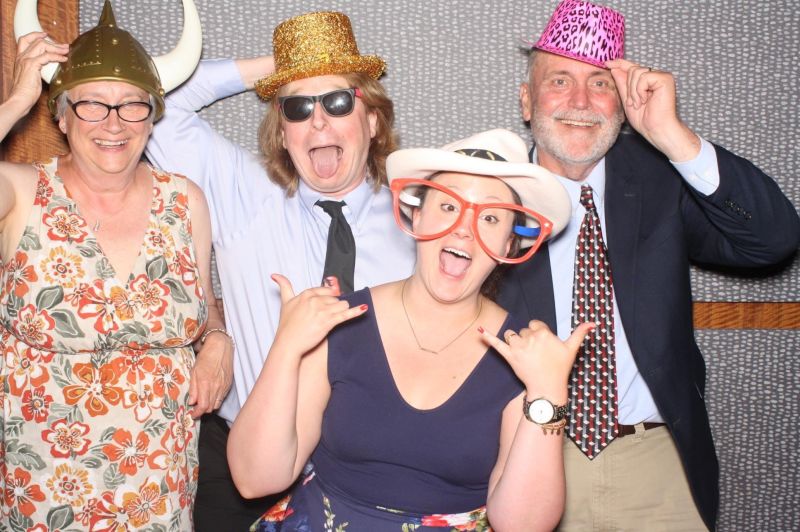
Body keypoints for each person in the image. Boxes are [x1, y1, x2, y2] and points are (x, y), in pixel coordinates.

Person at [496, 1, 800, 530]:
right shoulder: (490, 194)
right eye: (560, 81)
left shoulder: (661, 180)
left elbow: (773, 240)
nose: (581, 101)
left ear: (621, 104)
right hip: (530, 451)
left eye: (600, 84)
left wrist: (672, 135)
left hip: (656, 463)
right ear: (527, 100)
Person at [228, 128, 591, 531]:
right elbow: (254, 478)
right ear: (416, 214)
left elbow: (522, 526)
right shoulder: (342, 321)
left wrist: (548, 394)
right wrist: (286, 347)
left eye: (490, 217)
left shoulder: (522, 355)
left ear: (509, 244)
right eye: (448, 206)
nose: (464, 229)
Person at [145, 11, 416, 530]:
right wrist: (287, 65)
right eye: (297, 107)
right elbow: (156, 98)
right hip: (244, 471)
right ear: (282, 131)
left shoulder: (419, 221)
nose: (318, 121)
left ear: (373, 120)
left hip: (367, 480)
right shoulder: (245, 196)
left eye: (338, 102)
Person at [1, 0, 233, 527]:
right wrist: (16, 101)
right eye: (91, 104)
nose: (113, 123)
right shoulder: (21, 192)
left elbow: (202, 307)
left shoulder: (185, 201)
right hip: (46, 495)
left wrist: (220, 341)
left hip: (159, 491)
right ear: (61, 115)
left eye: (132, 105)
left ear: (152, 117)